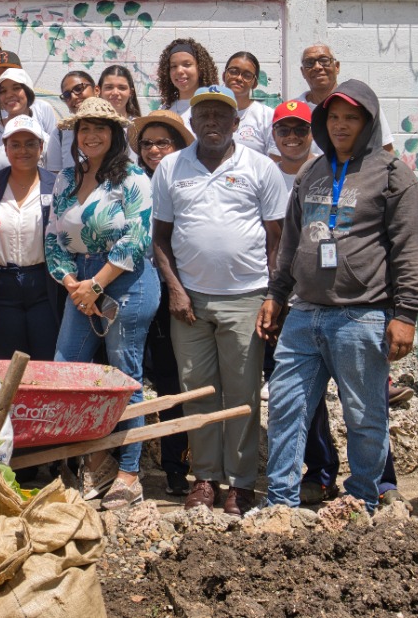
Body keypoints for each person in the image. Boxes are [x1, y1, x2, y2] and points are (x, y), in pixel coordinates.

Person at [257, 79, 418, 513]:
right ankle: (280, 504)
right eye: (333, 117)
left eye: (351, 117)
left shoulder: (393, 175)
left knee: (364, 416)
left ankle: (363, 500)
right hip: (304, 314)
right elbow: (291, 242)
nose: (341, 125)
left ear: (369, 122)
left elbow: (408, 249)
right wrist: (277, 294)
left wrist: (406, 314)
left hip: (361, 316)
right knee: (286, 409)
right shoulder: (312, 172)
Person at [151, 88, 287, 515]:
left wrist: (273, 296)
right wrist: (175, 289)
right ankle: (206, 478)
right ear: (192, 123)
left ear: (236, 123)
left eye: (221, 115)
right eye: (204, 114)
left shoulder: (260, 167)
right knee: (197, 392)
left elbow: (277, 237)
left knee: (243, 393)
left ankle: (241, 484)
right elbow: (160, 237)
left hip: (246, 298)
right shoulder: (172, 167)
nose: (212, 121)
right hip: (189, 302)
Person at [47, 97, 157, 511]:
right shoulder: (65, 178)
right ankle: (96, 462)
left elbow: (137, 237)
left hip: (125, 280)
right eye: (84, 128)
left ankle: (129, 473)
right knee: (65, 370)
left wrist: (96, 285)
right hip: (79, 281)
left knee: (124, 375)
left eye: (100, 128)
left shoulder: (132, 177)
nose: (91, 135)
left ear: (114, 135)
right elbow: (53, 238)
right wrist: (74, 284)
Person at [128, 109, 192, 497]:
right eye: (147, 143)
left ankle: (176, 467)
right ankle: (124, 465)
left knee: (170, 380)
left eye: (162, 143)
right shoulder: (128, 181)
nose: (153, 150)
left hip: (174, 289)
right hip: (134, 287)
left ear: (178, 145)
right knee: (128, 375)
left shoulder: (188, 181)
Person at [0, 114, 62, 362]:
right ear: (5, 148)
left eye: (30, 144)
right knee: (9, 362)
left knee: (46, 360)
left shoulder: (57, 185)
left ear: (41, 147)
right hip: (3, 288)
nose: (23, 150)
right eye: (15, 145)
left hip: (43, 287)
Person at [294, 45, 394, 153]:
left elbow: (387, 150)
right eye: (309, 62)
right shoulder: (293, 110)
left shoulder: (362, 103)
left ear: (337, 67)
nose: (317, 67)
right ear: (303, 72)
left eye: (324, 60)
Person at [0, 68, 55, 173]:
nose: (9, 95)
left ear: (28, 92)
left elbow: (52, 176)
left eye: (16, 88)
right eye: (3, 91)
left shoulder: (45, 138)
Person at [219, 52, 274, 158]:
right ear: (223, 75)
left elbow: (274, 161)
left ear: (255, 83)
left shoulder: (267, 116)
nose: (239, 78)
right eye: (233, 72)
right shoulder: (210, 113)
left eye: (247, 75)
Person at [156, 39, 218, 116]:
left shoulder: (213, 110)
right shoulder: (164, 109)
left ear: (200, 68)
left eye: (187, 65)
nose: (179, 71)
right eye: (174, 66)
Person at [51, 71, 97, 176]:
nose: (74, 96)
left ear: (96, 90)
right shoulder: (60, 133)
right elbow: (55, 178)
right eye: (67, 95)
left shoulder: (115, 126)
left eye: (79, 89)